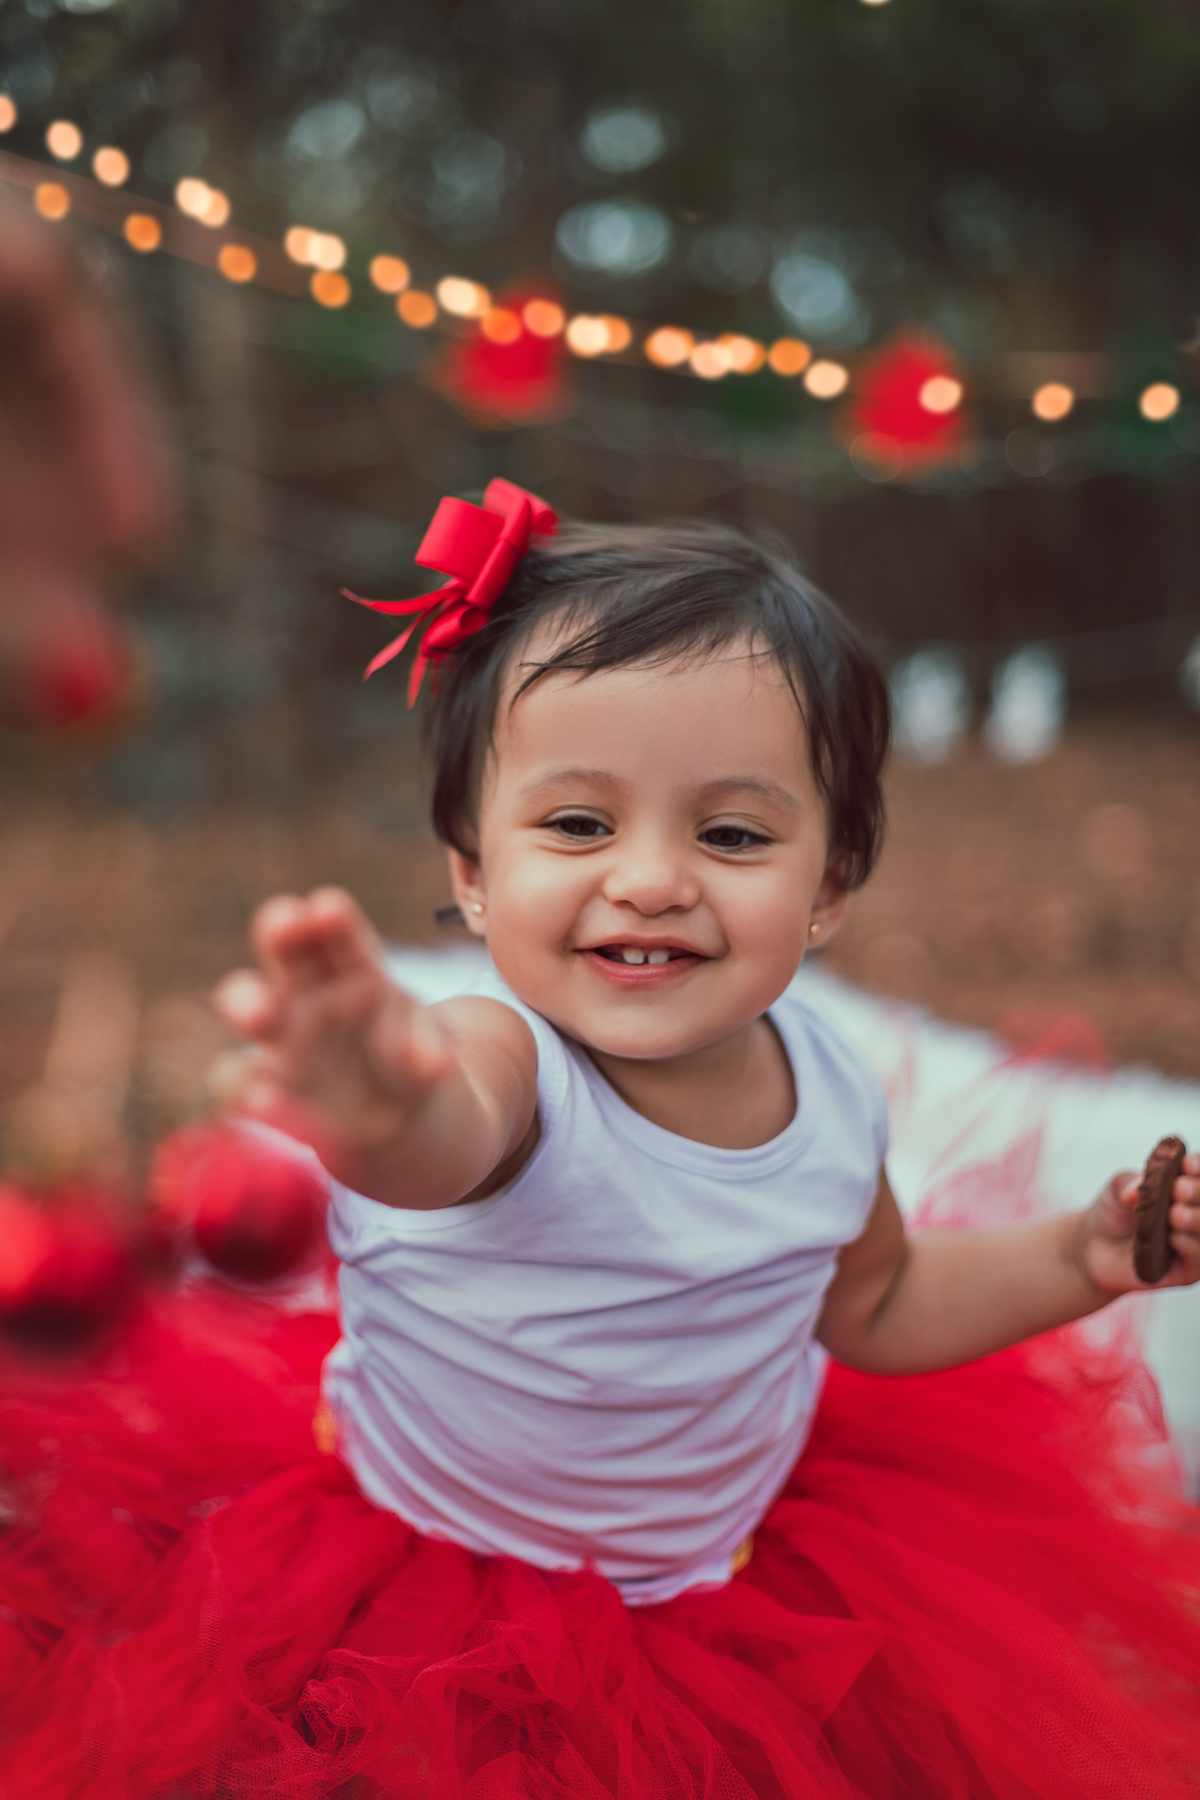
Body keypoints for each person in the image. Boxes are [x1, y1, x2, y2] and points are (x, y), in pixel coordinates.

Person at [3, 480, 1200, 1799]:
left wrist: (1083, 1259)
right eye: (578, 823)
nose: (649, 877)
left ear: (829, 890)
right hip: (433, 1597)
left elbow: (879, 1300)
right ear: (471, 872)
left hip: (723, 1588)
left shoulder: (837, 1093)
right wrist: (372, 1096)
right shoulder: (502, 1063)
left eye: (732, 834)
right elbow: (442, 1132)